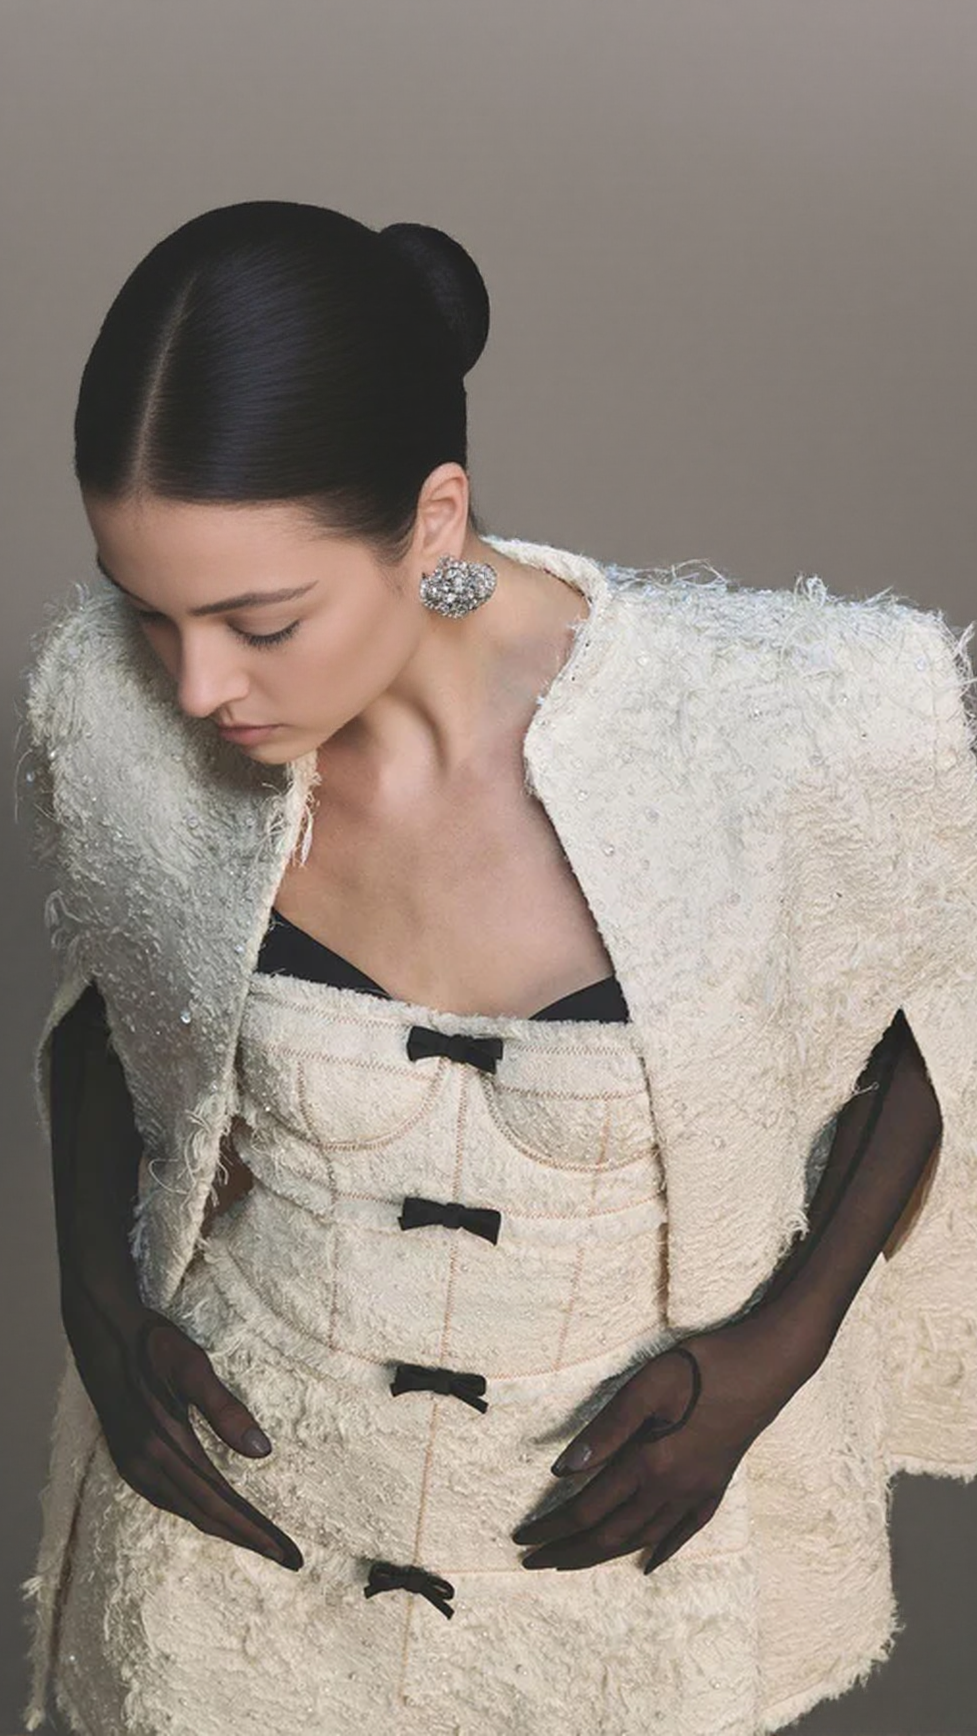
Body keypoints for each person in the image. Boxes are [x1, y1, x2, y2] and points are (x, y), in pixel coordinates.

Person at [17, 201, 977, 1736]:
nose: (195, 687)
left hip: (612, 1603)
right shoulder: (114, 716)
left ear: (435, 523)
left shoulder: (781, 727)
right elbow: (106, 1003)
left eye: (262, 621)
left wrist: (781, 1345)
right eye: (149, 616)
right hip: (224, 1589)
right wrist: (93, 1296)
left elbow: (932, 1017)